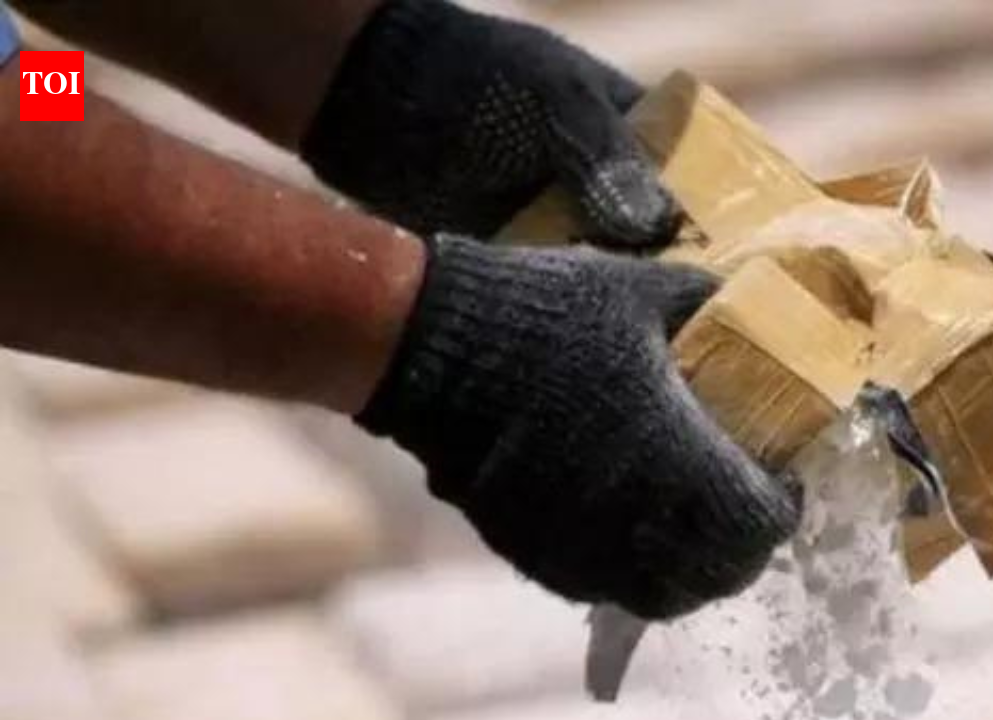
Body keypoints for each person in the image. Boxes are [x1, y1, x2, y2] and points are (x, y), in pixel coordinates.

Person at [0, 0, 801, 621]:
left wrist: (384, 67)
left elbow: (33, 88)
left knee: (47, 85)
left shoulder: (46, 84)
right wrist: (440, 340)